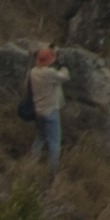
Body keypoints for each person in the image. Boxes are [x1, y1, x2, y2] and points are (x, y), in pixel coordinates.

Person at [26, 45, 71, 173]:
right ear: (49, 61)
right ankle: (53, 171)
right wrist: (62, 64)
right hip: (51, 112)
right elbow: (65, 77)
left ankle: (31, 165)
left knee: (39, 137)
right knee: (54, 142)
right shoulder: (49, 73)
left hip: (38, 111)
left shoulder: (33, 72)